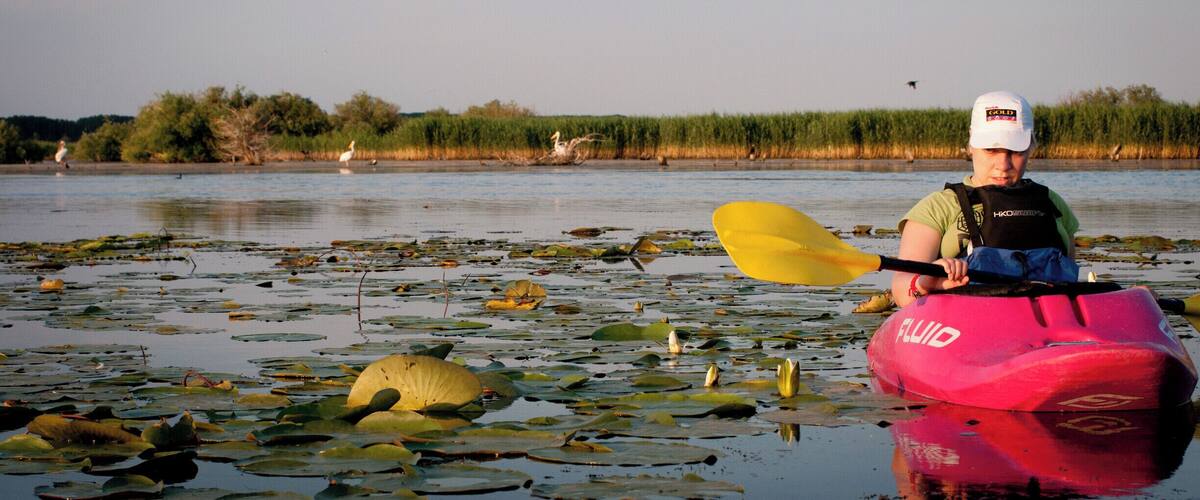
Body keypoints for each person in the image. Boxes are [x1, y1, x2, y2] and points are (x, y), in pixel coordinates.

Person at [891, 91, 1080, 307]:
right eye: (991, 150)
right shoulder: (936, 208)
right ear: (971, 145)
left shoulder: (1053, 204)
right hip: (967, 326)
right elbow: (901, 291)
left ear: (1031, 146)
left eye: (1015, 151)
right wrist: (926, 283)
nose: (1003, 165)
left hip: (1047, 328)